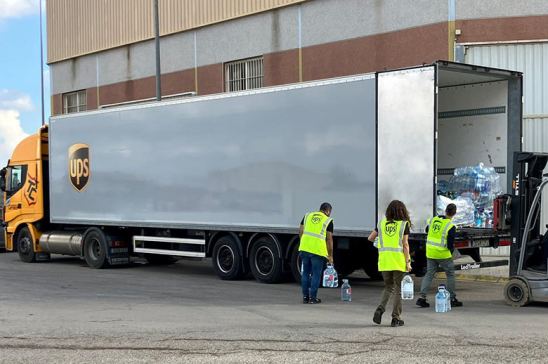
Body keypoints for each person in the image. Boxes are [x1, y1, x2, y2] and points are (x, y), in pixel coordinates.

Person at [368, 200, 412, 327]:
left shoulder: (381, 224)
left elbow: (370, 238)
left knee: (388, 287)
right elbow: (405, 245)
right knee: (398, 289)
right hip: (398, 261)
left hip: (384, 261)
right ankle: (395, 318)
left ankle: (380, 309)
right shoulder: (403, 225)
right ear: (402, 211)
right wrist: (408, 262)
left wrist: (380, 242)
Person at [416, 203, 463, 308]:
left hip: (430, 252)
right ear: (454, 213)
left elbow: (427, 230)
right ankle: (452, 298)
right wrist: (451, 253)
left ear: (445, 211)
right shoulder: (450, 226)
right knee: (450, 274)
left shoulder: (434, 220)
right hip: (443, 254)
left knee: (429, 274)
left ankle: (422, 298)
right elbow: (450, 244)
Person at [298, 202, 334, 304]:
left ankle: (305, 297)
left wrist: (303, 242)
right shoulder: (328, 220)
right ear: (327, 211)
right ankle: (313, 298)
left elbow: (300, 231)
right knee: (316, 275)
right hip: (317, 251)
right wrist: (330, 255)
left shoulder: (307, 216)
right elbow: (329, 239)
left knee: (305, 272)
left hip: (304, 248)